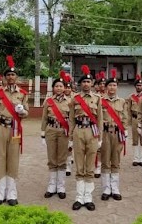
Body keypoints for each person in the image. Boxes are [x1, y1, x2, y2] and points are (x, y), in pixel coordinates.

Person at [0, 56, 29, 206]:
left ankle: (12, 193)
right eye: (8, 75)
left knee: (13, 159)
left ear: (16, 77)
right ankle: (0, 193)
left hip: (15, 129)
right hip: (1, 127)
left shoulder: (23, 94)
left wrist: (22, 112)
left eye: (13, 75)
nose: (11, 77)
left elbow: (27, 112)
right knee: (0, 158)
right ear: (5, 78)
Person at [70, 65, 103, 211]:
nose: (86, 84)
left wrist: (100, 137)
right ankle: (79, 196)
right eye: (83, 82)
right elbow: (71, 118)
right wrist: (71, 136)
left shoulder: (97, 98)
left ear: (92, 84)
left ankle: (88, 196)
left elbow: (100, 118)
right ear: (80, 84)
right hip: (78, 130)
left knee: (90, 164)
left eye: (88, 82)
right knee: (79, 163)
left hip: (92, 131)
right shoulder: (74, 98)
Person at [40, 73, 71, 199]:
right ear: (53, 88)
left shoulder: (70, 101)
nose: (59, 88)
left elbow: (72, 119)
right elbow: (44, 118)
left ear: (64, 88)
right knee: (52, 158)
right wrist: (42, 134)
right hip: (51, 130)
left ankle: (61, 186)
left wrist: (72, 136)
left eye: (61, 86)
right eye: (56, 86)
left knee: (62, 158)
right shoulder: (49, 101)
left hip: (64, 131)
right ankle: (52, 185)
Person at [100, 70, 128, 201]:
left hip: (117, 134)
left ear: (117, 87)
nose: (112, 88)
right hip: (105, 133)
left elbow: (125, 118)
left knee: (116, 161)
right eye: (110, 85)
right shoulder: (100, 101)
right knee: (105, 161)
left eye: (114, 85)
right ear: (106, 87)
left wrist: (125, 132)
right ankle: (106, 189)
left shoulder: (122, 101)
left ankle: (115, 188)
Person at [127, 76, 142, 167]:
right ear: (135, 86)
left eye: (140, 85)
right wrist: (128, 122)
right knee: (135, 139)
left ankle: (141, 158)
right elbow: (128, 110)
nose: (139, 87)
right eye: (137, 85)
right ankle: (135, 158)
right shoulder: (131, 97)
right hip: (134, 119)